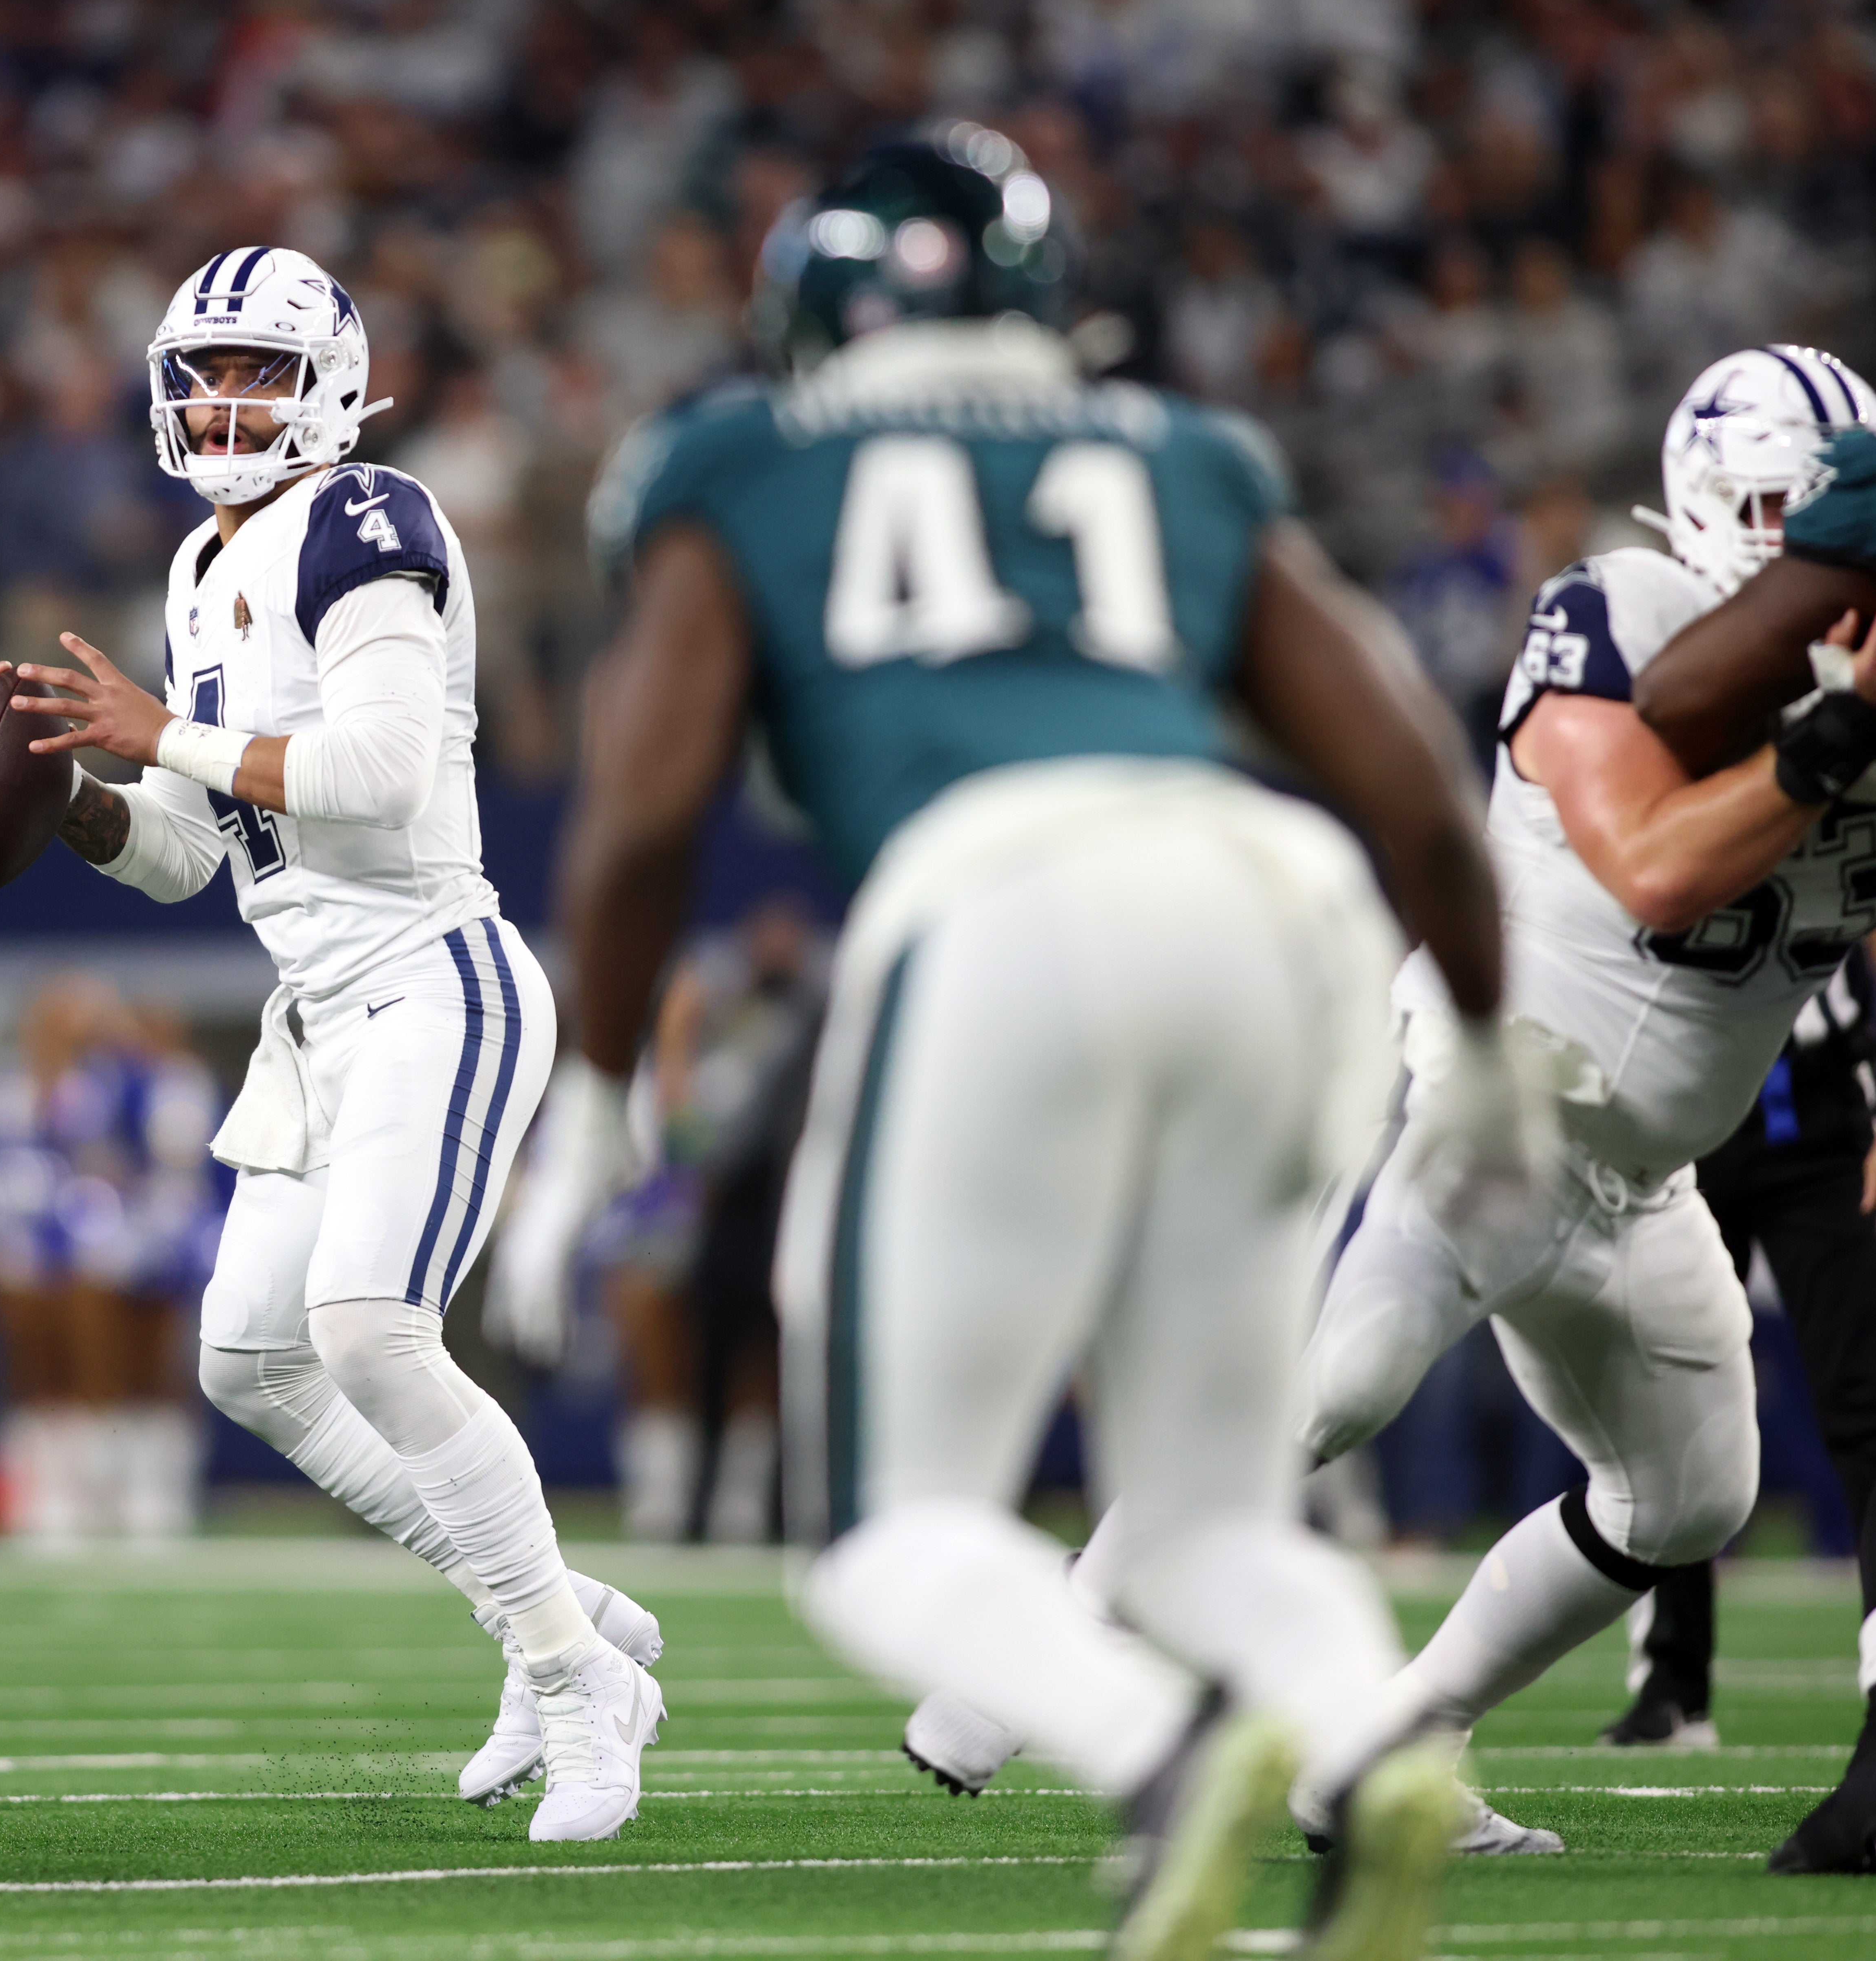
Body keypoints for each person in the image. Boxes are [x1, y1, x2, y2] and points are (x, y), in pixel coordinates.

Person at [514, 130, 1523, 1960]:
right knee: (1216, 1523)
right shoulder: (1175, 447)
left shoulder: (740, 457)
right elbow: (1403, 780)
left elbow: (643, 813)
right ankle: (1368, 1742)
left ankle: (1157, 1764)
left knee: (894, 1534)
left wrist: (594, 1092)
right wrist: (1483, 1042)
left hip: (997, 894)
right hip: (1273, 899)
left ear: (803, 314)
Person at [0, 247, 666, 1842]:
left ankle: (567, 1679)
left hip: (435, 976)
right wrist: (73, 802)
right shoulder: (200, 573)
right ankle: (553, 1600)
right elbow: (192, 848)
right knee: (248, 1356)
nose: (225, 398)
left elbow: (385, 768)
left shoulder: (367, 516)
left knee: (369, 1332)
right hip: (316, 1013)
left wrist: (161, 734)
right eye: (204, 368)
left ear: (330, 384)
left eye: (260, 368)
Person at [1276, 345, 1876, 1860]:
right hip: (1514, 1094)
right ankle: (1003, 1657)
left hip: (1654, 1171)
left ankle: (1385, 1750)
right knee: (1330, 1395)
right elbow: (1659, 863)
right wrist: (1831, 739)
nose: (1800, 546)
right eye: (1771, 509)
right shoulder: (1623, 605)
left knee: (1689, 1498)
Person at [1598, 946, 1876, 1807]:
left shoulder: (1821, 814)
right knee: (1660, 1399)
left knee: (1864, 1404)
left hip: (1822, 1115)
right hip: (1679, 1108)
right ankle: (1670, 1684)